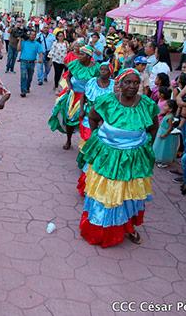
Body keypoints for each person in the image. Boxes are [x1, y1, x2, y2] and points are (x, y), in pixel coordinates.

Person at [78, 68, 159, 247]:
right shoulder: (107, 101)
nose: (132, 86)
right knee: (107, 193)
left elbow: (154, 126)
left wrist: (147, 145)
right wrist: (96, 137)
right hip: (108, 156)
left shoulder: (146, 104)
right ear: (120, 84)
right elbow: (92, 117)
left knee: (129, 193)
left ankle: (128, 226)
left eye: (136, 83)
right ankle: (101, 229)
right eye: (128, 82)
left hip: (134, 158)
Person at [49, 46, 100, 150]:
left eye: (82, 54)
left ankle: (87, 144)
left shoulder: (96, 67)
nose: (79, 56)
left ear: (89, 56)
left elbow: (99, 82)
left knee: (89, 120)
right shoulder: (74, 64)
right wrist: (70, 87)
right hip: (74, 95)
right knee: (70, 118)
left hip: (89, 98)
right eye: (79, 53)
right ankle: (68, 139)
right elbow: (68, 77)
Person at [76, 62, 115, 196]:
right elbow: (83, 97)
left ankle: (91, 167)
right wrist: (81, 110)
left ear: (111, 72)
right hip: (89, 116)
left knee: (99, 143)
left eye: (106, 69)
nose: (103, 71)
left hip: (105, 119)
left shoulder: (114, 85)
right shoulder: (92, 82)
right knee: (88, 140)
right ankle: (84, 163)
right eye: (101, 69)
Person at [152, 100, 179, 168]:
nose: (164, 107)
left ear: (170, 109)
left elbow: (170, 127)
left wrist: (165, 134)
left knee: (163, 148)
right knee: (159, 146)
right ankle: (159, 159)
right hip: (161, 131)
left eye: (166, 106)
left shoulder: (170, 117)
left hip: (165, 133)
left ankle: (164, 161)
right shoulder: (167, 114)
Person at [17, 30, 44, 97]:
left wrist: (40, 59)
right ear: (29, 35)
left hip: (32, 62)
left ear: (35, 36)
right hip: (24, 61)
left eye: (34, 35)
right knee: (23, 76)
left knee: (30, 77)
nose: (32, 36)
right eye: (31, 34)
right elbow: (18, 49)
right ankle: (23, 91)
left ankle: (27, 87)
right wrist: (20, 40)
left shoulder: (37, 44)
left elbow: (40, 53)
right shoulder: (24, 42)